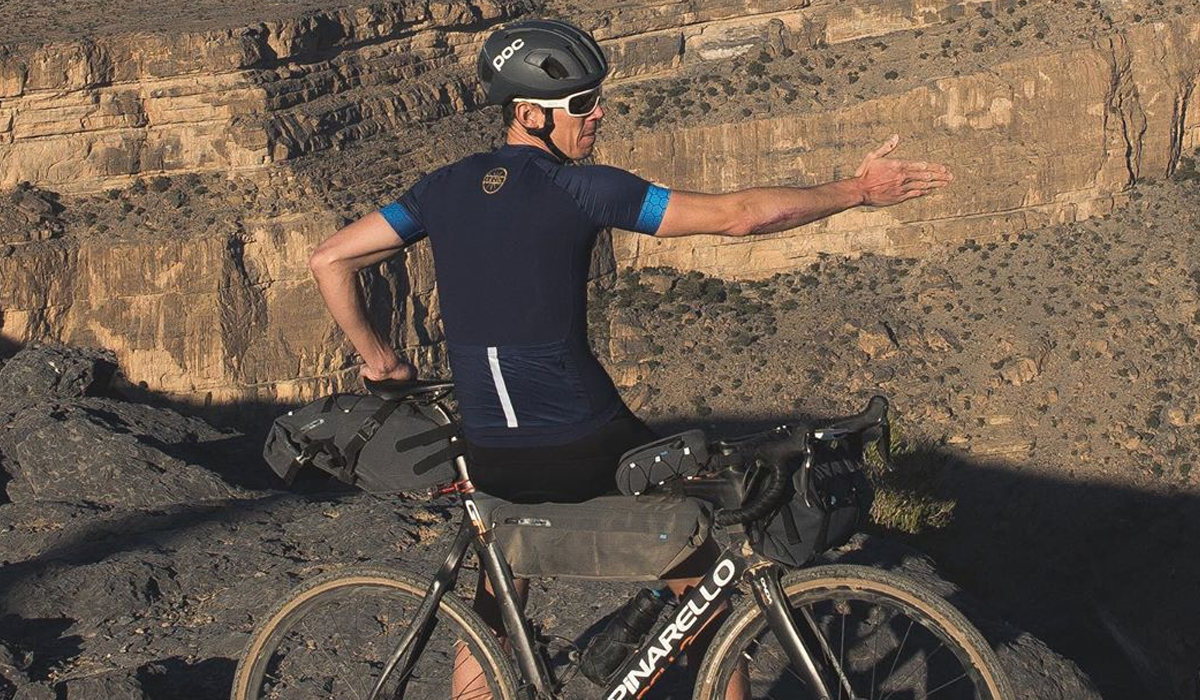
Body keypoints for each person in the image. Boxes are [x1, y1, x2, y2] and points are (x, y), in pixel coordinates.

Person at [308, 18, 952, 698]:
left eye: (597, 97)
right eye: (581, 104)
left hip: (491, 447)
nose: (599, 113)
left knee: (498, 593)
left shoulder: (440, 189)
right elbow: (741, 216)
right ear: (527, 114)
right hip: (586, 441)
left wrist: (379, 359)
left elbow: (331, 259)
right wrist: (857, 191)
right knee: (703, 581)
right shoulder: (583, 189)